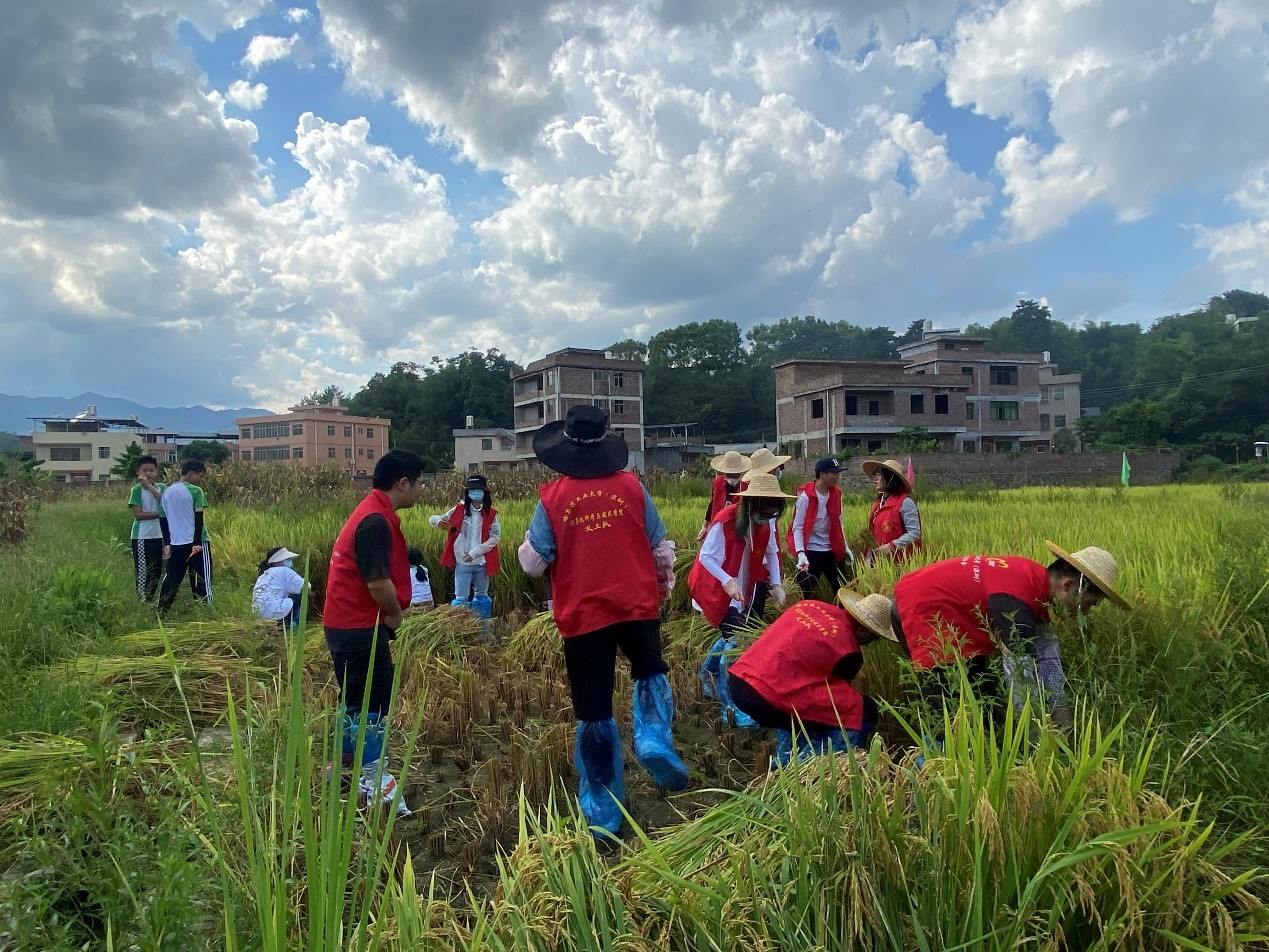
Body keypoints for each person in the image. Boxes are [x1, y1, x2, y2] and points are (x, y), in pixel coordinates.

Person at [518, 405, 688, 837]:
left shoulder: (553, 498)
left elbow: (535, 563)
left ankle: (604, 807)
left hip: (584, 614)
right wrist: (663, 581)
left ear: (567, 446)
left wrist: (531, 545)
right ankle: (654, 742)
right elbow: (661, 547)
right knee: (649, 670)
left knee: (593, 708)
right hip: (635, 604)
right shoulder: (632, 487)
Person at [891, 542, 1132, 735]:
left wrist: (1065, 729)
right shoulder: (1015, 600)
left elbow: (1051, 667)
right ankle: (926, 782)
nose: (1086, 612)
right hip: (923, 612)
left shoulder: (1033, 584)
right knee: (948, 720)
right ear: (1068, 586)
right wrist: (1035, 744)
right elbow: (1020, 683)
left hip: (951, 618)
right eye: (1089, 604)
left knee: (985, 708)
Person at [323, 449, 426, 817]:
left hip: (347, 624)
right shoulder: (375, 521)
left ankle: (344, 768)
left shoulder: (373, 511)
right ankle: (373, 779)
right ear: (403, 483)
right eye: (419, 482)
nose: (422, 489)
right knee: (371, 705)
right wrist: (395, 614)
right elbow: (378, 582)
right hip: (358, 626)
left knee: (354, 699)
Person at [728, 592, 896, 765]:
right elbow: (832, 705)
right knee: (862, 711)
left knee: (802, 702)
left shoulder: (809, 605)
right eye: (874, 637)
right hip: (766, 698)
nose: (871, 642)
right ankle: (818, 768)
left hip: (739, 678)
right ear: (865, 629)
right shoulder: (850, 650)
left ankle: (784, 760)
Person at [689, 472, 791, 724]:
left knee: (734, 636)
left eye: (772, 513)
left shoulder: (764, 524)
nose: (766, 518)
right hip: (715, 588)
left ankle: (708, 675)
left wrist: (776, 585)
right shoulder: (725, 520)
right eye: (764, 511)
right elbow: (706, 557)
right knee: (737, 641)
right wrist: (727, 581)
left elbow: (772, 552)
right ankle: (730, 706)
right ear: (751, 503)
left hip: (742, 588)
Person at [430, 474, 500, 624]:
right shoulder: (459, 510)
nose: (476, 493)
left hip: (481, 562)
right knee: (461, 599)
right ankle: (462, 629)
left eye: (478, 490)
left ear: (484, 493)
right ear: (467, 493)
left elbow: (495, 537)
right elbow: (436, 519)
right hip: (463, 563)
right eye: (472, 490)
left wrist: (475, 552)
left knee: (481, 597)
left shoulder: (491, 513)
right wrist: (438, 521)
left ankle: (482, 630)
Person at [788, 457, 854, 598]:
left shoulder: (837, 494)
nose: (837, 476)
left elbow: (839, 522)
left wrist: (845, 546)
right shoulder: (805, 498)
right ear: (822, 474)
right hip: (812, 551)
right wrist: (801, 553)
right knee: (806, 591)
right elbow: (797, 527)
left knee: (843, 591)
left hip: (833, 549)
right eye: (834, 473)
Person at [158, 459, 212, 614]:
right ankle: (205, 610)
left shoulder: (167, 493)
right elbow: (199, 518)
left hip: (176, 543)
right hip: (197, 543)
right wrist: (196, 542)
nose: (200, 481)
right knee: (202, 579)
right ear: (190, 473)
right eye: (199, 476)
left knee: (172, 579)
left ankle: (162, 611)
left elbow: (163, 520)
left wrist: (167, 542)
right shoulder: (195, 491)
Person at [861, 458, 922, 564]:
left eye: (879, 474)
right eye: (875, 474)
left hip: (901, 562)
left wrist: (891, 546)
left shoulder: (905, 502)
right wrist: (868, 560)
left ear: (891, 477)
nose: (875, 478)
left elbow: (914, 533)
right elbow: (872, 534)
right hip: (879, 562)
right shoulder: (878, 504)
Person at [127, 455, 166, 602]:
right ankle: (143, 600)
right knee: (143, 569)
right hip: (142, 536)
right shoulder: (136, 490)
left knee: (157, 570)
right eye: (145, 470)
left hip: (160, 535)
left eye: (151, 470)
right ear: (138, 472)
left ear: (156, 472)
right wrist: (159, 514)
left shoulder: (161, 487)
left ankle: (151, 597)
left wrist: (150, 486)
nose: (148, 473)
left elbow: (165, 502)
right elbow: (138, 514)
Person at [696, 451, 750, 542]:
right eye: (729, 473)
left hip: (736, 530)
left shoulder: (746, 487)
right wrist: (704, 527)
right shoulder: (718, 483)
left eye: (735, 474)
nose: (732, 476)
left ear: (740, 472)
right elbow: (712, 504)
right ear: (725, 472)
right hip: (717, 526)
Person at [252, 546, 307, 632]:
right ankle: (292, 626)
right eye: (288, 559)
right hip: (273, 612)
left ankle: (280, 624)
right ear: (279, 561)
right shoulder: (284, 570)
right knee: (299, 594)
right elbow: (305, 585)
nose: (290, 562)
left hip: (258, 613)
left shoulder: (263, 575)